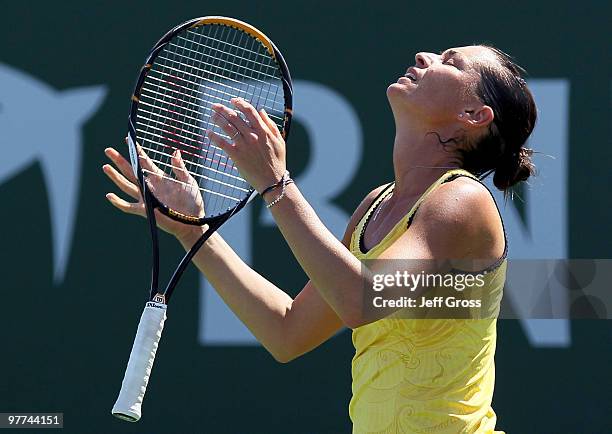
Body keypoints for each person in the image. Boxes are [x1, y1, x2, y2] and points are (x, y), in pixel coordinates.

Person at [103, 44, 536, 433]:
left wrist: (276, 183)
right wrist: (193, 230)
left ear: (474, 116)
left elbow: (360, 299)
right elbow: (287, 331)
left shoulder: (462, 199)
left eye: (451, 62)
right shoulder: (376, 207)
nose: (425, 56)